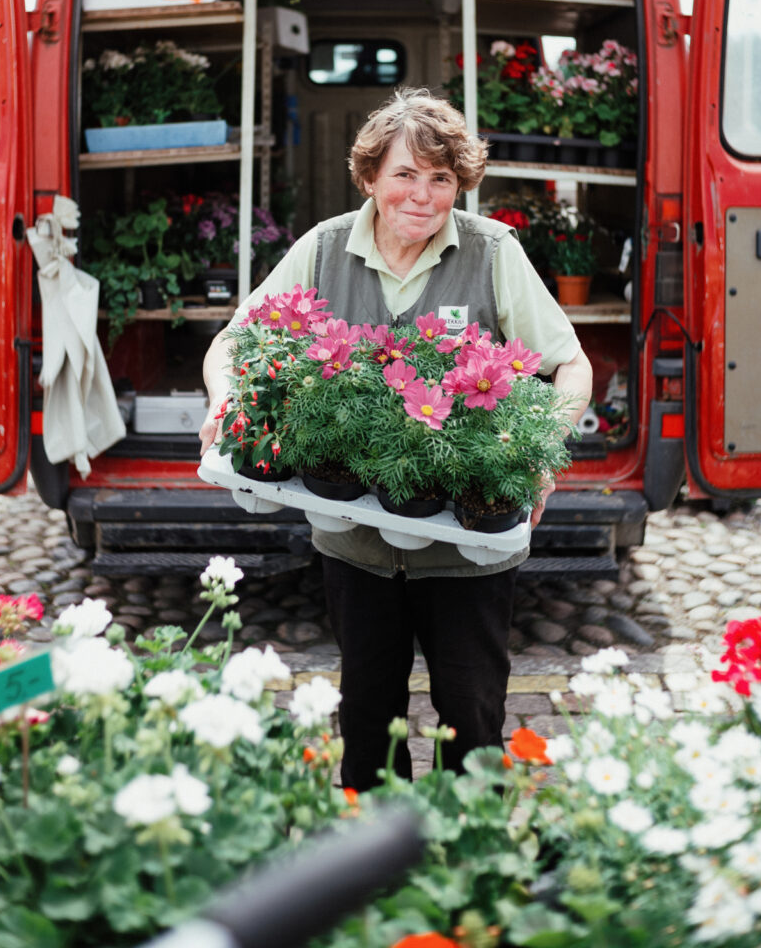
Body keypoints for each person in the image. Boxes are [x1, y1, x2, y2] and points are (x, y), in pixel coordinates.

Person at [200, 88, 592, 789]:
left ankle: (464, 859)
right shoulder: (323, 248)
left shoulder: (489, 251)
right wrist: (226, 399)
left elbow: (569, 363)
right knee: (366, 718)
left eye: (440, 178)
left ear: (459, 185)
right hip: (355, 544)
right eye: (404, 174)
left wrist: (542, 453)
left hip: (467, 551)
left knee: (471, 720)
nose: (421, 194)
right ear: (370, 178)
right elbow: (236, 338)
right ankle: (371, 865)